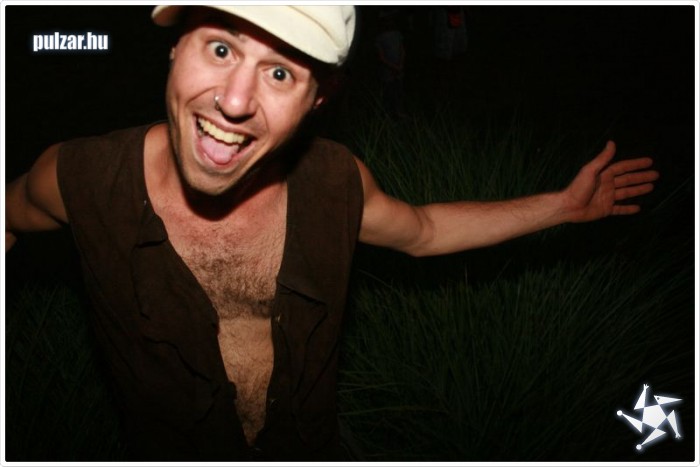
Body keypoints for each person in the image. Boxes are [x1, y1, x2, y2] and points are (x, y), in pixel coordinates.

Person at [4, 5, 659, 462]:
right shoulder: (80, 177)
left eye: (280, 73)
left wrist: (561, 207)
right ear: (176, 47)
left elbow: (424, 230)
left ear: (319, 98)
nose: (235, 100)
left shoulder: (337, 183)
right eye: (221, 49)